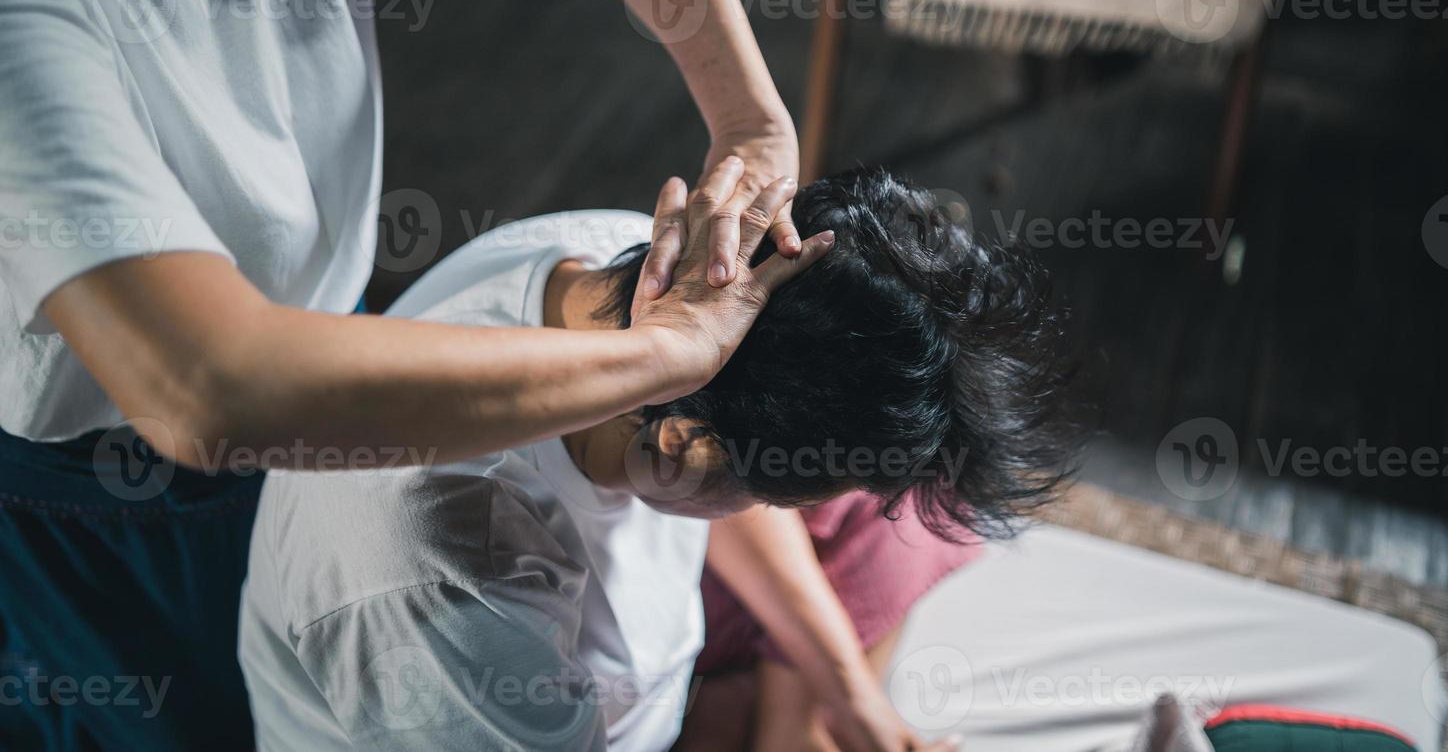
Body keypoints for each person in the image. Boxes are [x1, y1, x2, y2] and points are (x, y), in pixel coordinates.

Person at [0, 0, 828, 746]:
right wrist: (666, 357)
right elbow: (203, 389)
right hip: (108, 498)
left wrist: (751, 123)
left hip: (323, 365)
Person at [239, 168, 1081, 751]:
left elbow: (743, 450)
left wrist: (845, 692)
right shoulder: (442, 580)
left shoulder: (648, 272)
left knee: (900, 517)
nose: (776, 514)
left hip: (630, 677)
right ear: (683, 448)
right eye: (770, 497)